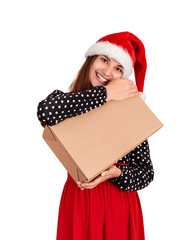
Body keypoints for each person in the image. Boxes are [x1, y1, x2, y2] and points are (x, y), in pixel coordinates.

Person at [37, 31, 154, 240]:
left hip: (119, 204)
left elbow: (146, 172)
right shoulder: (66, 102)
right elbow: (46, 112)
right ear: (92, 60)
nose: (108, 71)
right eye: (104, 60)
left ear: (123, 77)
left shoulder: (130, 115)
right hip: (79, 203)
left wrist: (118, 174)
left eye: (118, 68)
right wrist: (106, 94)